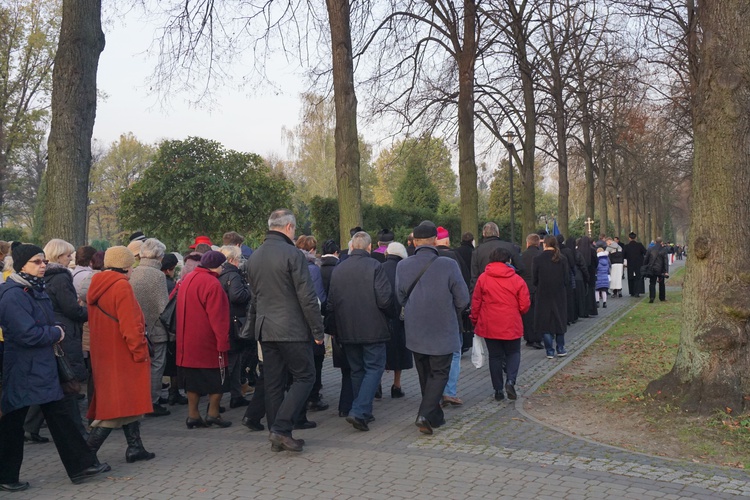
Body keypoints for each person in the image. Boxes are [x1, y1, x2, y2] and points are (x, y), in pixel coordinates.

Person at [0, 244, 110, 491]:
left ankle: (81, 466)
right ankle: (6, 476)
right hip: (23, 368)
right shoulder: (13, 294)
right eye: (36, 262)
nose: (42, 265)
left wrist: (54, 331)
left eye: (43, 261)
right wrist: (55, 332)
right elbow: (26, 333)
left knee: (60, 415)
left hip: (42, 367)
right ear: (21, 265)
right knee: (13, 422)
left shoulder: (33, 289)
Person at [247, 209, 324, 452]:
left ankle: (277, 433)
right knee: (305, 376)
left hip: (265, 327)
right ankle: (280, 429)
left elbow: (255, 298)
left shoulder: (255, 256)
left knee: (273, 382)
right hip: (290, 327)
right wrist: (318, 330)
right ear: (289, 227)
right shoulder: (293, 254)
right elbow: (307, 296)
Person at [396, 220, 469, 435]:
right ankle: (425, 414)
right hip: (443, 328)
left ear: (415, 241)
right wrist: (450, 310)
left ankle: (434, 415)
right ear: (435, 240)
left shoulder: (403, 265)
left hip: (415, 329)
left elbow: (399, 296)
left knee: (425, 373)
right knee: (440, 373)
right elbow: (463, 298)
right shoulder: (448, 264)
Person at [86, 246, 156, 464]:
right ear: (127, 265)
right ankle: (84, 456)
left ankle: (136, 447)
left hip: (104, 353)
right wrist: (140, 353)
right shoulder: (122, 287)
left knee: (126, 402)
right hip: (123, 354)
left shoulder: (96, 284)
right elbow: (131, 327)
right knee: (116, 409)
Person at [327, 231, 393, 432]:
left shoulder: (339, 268)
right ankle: (359, 410)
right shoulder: (375, 266)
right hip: (373, 327)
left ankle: (363, 411)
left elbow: (331, 302)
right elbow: (384, 299)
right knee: (374, 368)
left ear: (352, 247)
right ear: (369, 247)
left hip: (346, 328)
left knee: (357, 370)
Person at [24, 239, 88, 441]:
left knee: (52, 381)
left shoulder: (43, 278)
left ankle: (30, 426)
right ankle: (77, 432)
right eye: (68, 255)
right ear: (59, 256)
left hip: (54, 329)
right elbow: (71, 308)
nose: (71, 258)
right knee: (67, 382)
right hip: (64, 332)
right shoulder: (60, 277)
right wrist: (86, 311)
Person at [177, 251, 232, 429]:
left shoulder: (188, 278)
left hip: (187, 340)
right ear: (216, 266)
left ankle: (193, 415)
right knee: (218, 380)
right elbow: (219, 318)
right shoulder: (212, 284)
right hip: (208, 341)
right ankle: (213, 413)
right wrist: (223, 342)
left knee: (192, 381)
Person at [470, 247, 530, 401]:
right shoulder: (517, 279)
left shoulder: (483, 278)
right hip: (511, 322)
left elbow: (476, 301)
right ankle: (510, 380)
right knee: (513, 353)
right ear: (508, 261)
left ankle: (497, 390)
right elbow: (524, 304)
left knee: (495, 357)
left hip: (490, 323)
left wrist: (474, 319)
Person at [129, 238, 171, 417]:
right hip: (156, 328)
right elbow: (163, 306)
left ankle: (139, 399)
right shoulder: (158, 275)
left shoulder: (133, 272)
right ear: (159, 256)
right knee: (156, 365)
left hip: (137, 326)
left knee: (140, 366)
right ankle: (152, 401)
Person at [295, 235, 328, 414]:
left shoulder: (291, 264)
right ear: (313, 250)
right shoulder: (314, 269)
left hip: (292, 321)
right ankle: (313, 397)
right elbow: (318, 299)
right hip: (310, 320)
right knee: (316, 360)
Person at [218, 245, 251, 409]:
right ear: (232, 260)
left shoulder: (221, 274)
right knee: (233, 361)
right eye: (238, 259)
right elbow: (237, 295)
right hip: (236, 321)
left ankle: (236, 395)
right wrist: (249, 291)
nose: (239, 262)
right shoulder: (234, 275)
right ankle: (224, 397)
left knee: (235, 360)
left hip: (227, 320)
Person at [435, 226, 465, 407]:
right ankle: (449, 391)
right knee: (454, 353)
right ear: (446, 241)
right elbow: (461, 288)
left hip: (427, 317)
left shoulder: (419, 259)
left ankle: (434, 392)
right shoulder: (453, 258)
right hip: (451, 313)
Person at [382, 242, 412, 398]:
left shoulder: (379, 267)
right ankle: (396, 385)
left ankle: (376, 385)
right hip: (399, 317)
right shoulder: (404, 270)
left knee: (380, 352)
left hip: (382, 317)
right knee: (399, 352)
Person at [533, 236, 569, 359]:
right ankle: (560, 347)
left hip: (543, 293)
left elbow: (535, 279)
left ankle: (549, 350)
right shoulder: (562, 259)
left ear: (545, 244)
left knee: (545, 322)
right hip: (559, 293)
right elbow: (567, 279)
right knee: (559, 320)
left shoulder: (538, 259)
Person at [471, 222, 524, 291]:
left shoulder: (477, 251)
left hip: (487, 290)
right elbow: (520, 268)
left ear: (484, 234)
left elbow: (474, 277)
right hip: (508, 290)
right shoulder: (511, 247)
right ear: (498, 233)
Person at [519, 234, 542, 348]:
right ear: (538, 243)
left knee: (527, 314)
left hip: (525, 288)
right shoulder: (541, 255)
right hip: (538, 287)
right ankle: (538, 338)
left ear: (527, 243)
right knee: (538, 313)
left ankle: (528, 337)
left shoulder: (522, 256)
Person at [565, 236, 589, 320]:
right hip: (578, 277)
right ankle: (580, 312)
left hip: (568, 278)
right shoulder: (577, 253)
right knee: (579, 297)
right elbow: (583, 266)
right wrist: (587, 277)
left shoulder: (564, 253)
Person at [643, 237, 669, 303]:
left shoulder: (650, 249)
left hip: (652, 269)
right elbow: (666, 261)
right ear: (661, 242)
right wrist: (666, 271)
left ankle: (652, 297)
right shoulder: (664, 250)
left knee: (652, 283)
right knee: (662, 284)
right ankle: (662, 297)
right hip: (661, 270)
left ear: (655, 242)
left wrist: (645, 266)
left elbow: (646, 259)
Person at [622, 232, 647, 298]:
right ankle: (638, 292)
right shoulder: (639, 245)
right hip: (639, 264)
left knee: (631, 278)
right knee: (638, 278)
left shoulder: (626, 246)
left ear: (629, 238)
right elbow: (645, 252)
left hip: (630, 264)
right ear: (635, 238)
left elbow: (623, 255)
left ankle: (632, 292)